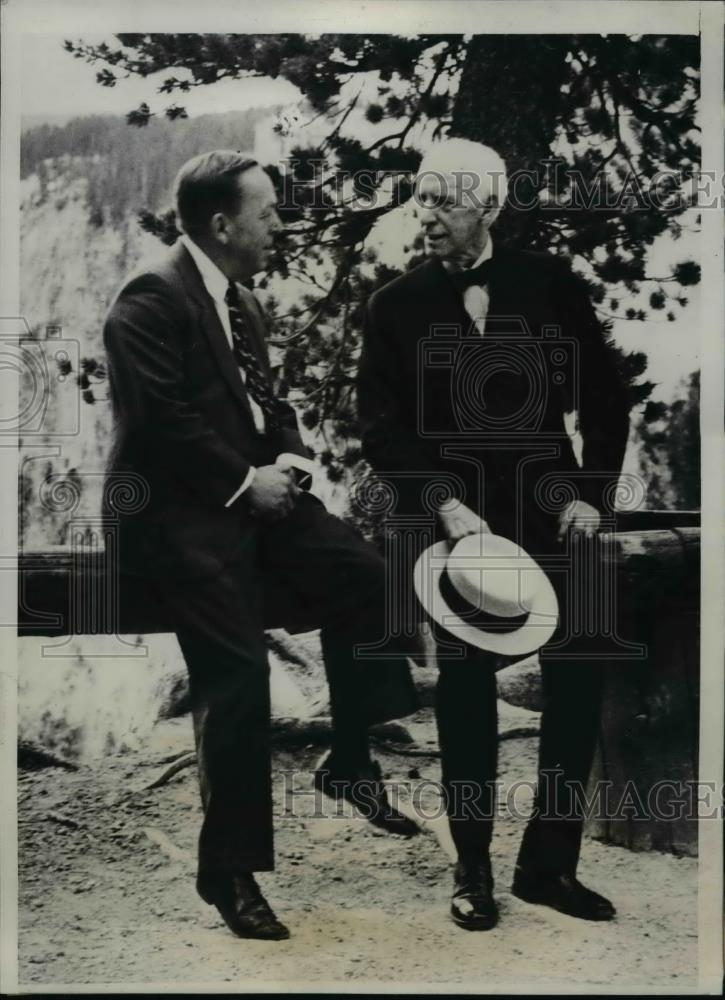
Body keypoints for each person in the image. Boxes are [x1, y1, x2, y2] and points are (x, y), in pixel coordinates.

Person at [102, 149, 419, 942]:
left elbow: (266, 401)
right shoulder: (150, 296)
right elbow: (161, 424)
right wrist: (248, 485)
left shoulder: (238, 301)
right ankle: (230, 873)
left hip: (248, 497)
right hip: (176, 517)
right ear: (222, 223)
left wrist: (291, 462)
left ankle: (348, 759)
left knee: (365, 575)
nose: (282, 223)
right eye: (269, 211)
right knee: (237, 674)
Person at [357, 138, 631, 930]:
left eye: (443, 199)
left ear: (487, 206)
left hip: (552, 510)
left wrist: (589, 495)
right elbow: (380, 429)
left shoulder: (545, 283)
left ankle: (549, 866)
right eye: (421, 197)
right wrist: (441, 503)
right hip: (458, 528)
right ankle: (471, 871)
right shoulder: (394, 307)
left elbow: (605, 399)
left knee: (580, 674)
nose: (426, 213)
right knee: (467, 689)